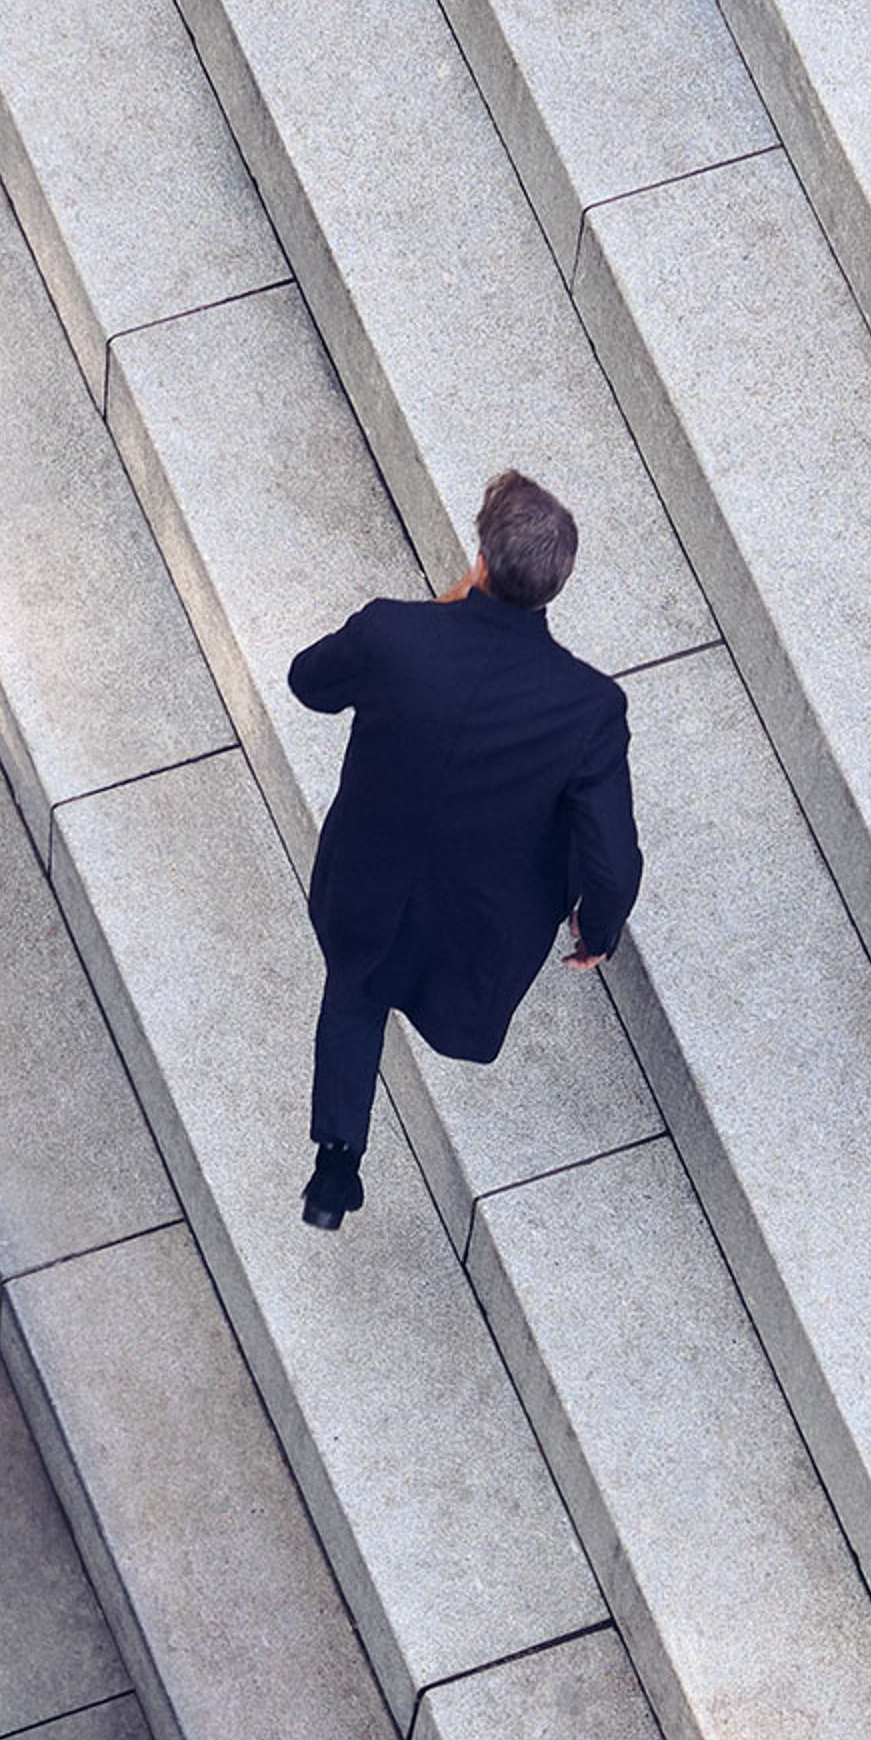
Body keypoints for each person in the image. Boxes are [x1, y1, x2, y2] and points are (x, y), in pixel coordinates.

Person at [286, 468, 640, 1230]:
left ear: (479, 556)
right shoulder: (588, 708)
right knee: (375, 974)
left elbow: (308, 682)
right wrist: (598, 927)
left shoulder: (393, 634)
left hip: (364, 880)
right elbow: (610, 851)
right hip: (475, 919)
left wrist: (440, 610)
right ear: (558, 584)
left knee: (359, 978)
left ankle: (336, 1163)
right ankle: (335, 1160)